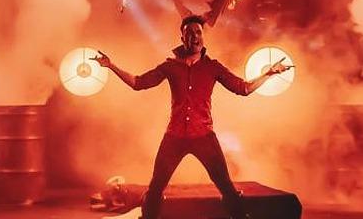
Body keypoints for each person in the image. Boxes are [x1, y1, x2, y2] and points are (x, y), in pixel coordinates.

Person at [93, 14, 292, 219]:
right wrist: (111, 66)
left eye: (198, 32)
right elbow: (138, 83)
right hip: (174, 137)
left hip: (204, 136)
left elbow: (243, 88)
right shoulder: (170, 66)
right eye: (190, 33)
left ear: (202, 37)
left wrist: (269, 74)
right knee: (155, 188)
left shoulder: (212, 67)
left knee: (226, 186)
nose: (195, 37)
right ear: (183, 39)